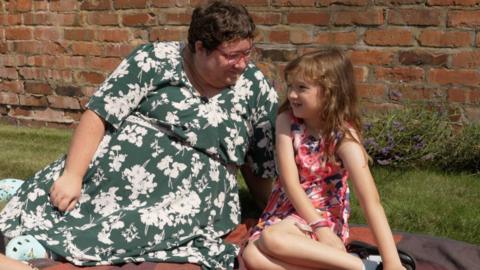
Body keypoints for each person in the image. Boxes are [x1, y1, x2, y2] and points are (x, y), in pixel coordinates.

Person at [0, 1, 278, 269]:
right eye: (232, 56)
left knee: (143, 224)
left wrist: (272, 207)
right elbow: (100, 113)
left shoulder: (254, 88)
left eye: (247, 53)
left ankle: (47, 249)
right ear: (200, 48)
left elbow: (260, 162)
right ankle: (34, 229)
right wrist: (73, 174)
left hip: (190, 195)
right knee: (59, 195)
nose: (242, 64)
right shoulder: (153, 60)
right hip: (114, 170)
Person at [242, 49, 406, 270]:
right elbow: (290, 183)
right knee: (251, 256)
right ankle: (360, 267)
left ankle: (365, 266)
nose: (291, 95)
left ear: (330, 93)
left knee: (269, 242)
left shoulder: (343, 138)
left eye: (302, 88)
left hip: (323, 213)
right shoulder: (286, 121)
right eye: (290, 86)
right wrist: (318, 227)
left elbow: (370, 201)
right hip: (288, 208)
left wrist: (392, 262)